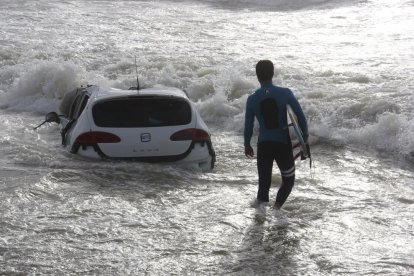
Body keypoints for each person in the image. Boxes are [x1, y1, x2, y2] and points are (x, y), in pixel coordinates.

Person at [244, 60, 308, 210]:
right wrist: (305, 136)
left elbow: (248, 125)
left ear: (257, 76)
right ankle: (276, 209)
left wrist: (247, 144)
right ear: (273, 73)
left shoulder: (252, 99)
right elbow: (300, 116)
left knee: (263, 185)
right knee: (288, 180)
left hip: (264, 145)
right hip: (282, 145)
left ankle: (259, 221)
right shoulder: (285, 93)